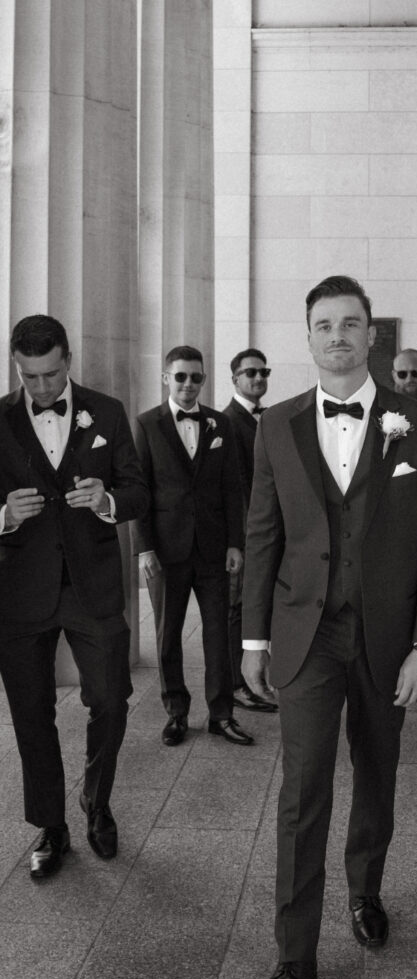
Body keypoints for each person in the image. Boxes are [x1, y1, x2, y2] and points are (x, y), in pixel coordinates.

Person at [241, 275, 417, 979]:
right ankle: (293, 957)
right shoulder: (276, 425)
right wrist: (251, 639)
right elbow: (262, 534)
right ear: (308, 337)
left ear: (372, 335)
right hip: (306, 635)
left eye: (350, 323)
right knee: (302, 794)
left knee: (376, 771)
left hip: (389, 638)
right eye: (323, 324)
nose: (337, 335)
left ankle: (364, 891)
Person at [0, 314, 148, 879]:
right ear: (18, 366)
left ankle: (97, 801)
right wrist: (4, 515)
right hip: (19, 595)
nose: (41, 387)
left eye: (51, 375)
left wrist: (108, 497)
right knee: (31, 714)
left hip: (94, 590)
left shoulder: (106, 411)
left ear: (69, 360)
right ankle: (50, 825)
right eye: (29, 377)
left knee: (110, 700)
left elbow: (138, 492)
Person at [132, 346, 253, 748]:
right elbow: (140, 491)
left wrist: (236, 542)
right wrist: (145, 548)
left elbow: (232, 488)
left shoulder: (220, 424)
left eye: (196, 378)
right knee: (168, 635)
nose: (188, 385)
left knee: (218, 634)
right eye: (180, 377)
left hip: (215, 549)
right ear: (166, 378)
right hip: (167, 549)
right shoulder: (146, 424)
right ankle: (176, 712)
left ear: (204, 380)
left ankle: (222, 714)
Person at [223, 349, 277, 713]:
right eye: (250, 373)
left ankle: (260, 677)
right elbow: (233, 486)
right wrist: (238, 542)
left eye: (263, 371)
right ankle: (238, 685)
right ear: (235, 379)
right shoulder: (227, 421)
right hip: (247, 535)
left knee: (260, 606)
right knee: (239, 610)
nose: (258, 378)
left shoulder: (272, 418)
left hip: (273, 529)